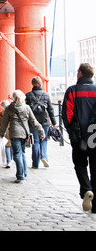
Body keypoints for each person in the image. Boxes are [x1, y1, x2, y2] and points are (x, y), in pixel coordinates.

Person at [62, 63, 96, 214]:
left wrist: (70, 130)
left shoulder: (72, 91)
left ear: (80, 73)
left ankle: (87, 190)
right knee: (95, 167)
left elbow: (67, 114)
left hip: (79, 136)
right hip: (95, 135)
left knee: (80, 164)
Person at [0, 90, 45, 183]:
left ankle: (20, 175)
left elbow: (4, 123)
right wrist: (41, 132)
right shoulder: (27, 108)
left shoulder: (9, 108)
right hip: (24, 133)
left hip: (14, 133)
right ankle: (24, 172)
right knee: (22, 152)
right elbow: (34, 122)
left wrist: (1, 133)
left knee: (17, 154)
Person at [26, 76, 57, 168]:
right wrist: (54, 122)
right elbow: (50, 109)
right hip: (45, 121)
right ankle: (44, 156)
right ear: (41, 84)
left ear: (32, 83)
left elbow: (25, 110)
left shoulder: (28, 95)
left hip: (33, 121)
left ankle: (35, 163)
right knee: (44, 140)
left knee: (35, 141)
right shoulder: (46, 95)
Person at [0, 99, 13, 168]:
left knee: (6, 147)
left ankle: (8, 161)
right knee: (11, 146)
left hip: (5, 132)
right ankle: (11, 159)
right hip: (12, 131)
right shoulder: (12, 113)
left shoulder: (1, 115)